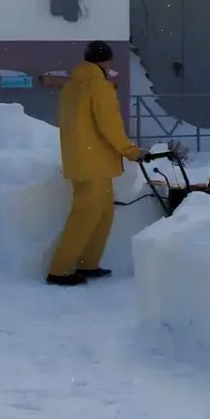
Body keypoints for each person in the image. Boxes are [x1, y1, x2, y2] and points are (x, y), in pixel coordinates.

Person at [46, 41, 148, 286]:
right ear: (105, 62)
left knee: (103, 213)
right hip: (93, 162)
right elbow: (110, 125)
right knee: (85, 215)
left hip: (83, 160)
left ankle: (88, 264)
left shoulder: (71, 86)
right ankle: (58, 271)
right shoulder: (100, 88)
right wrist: (130, 151)